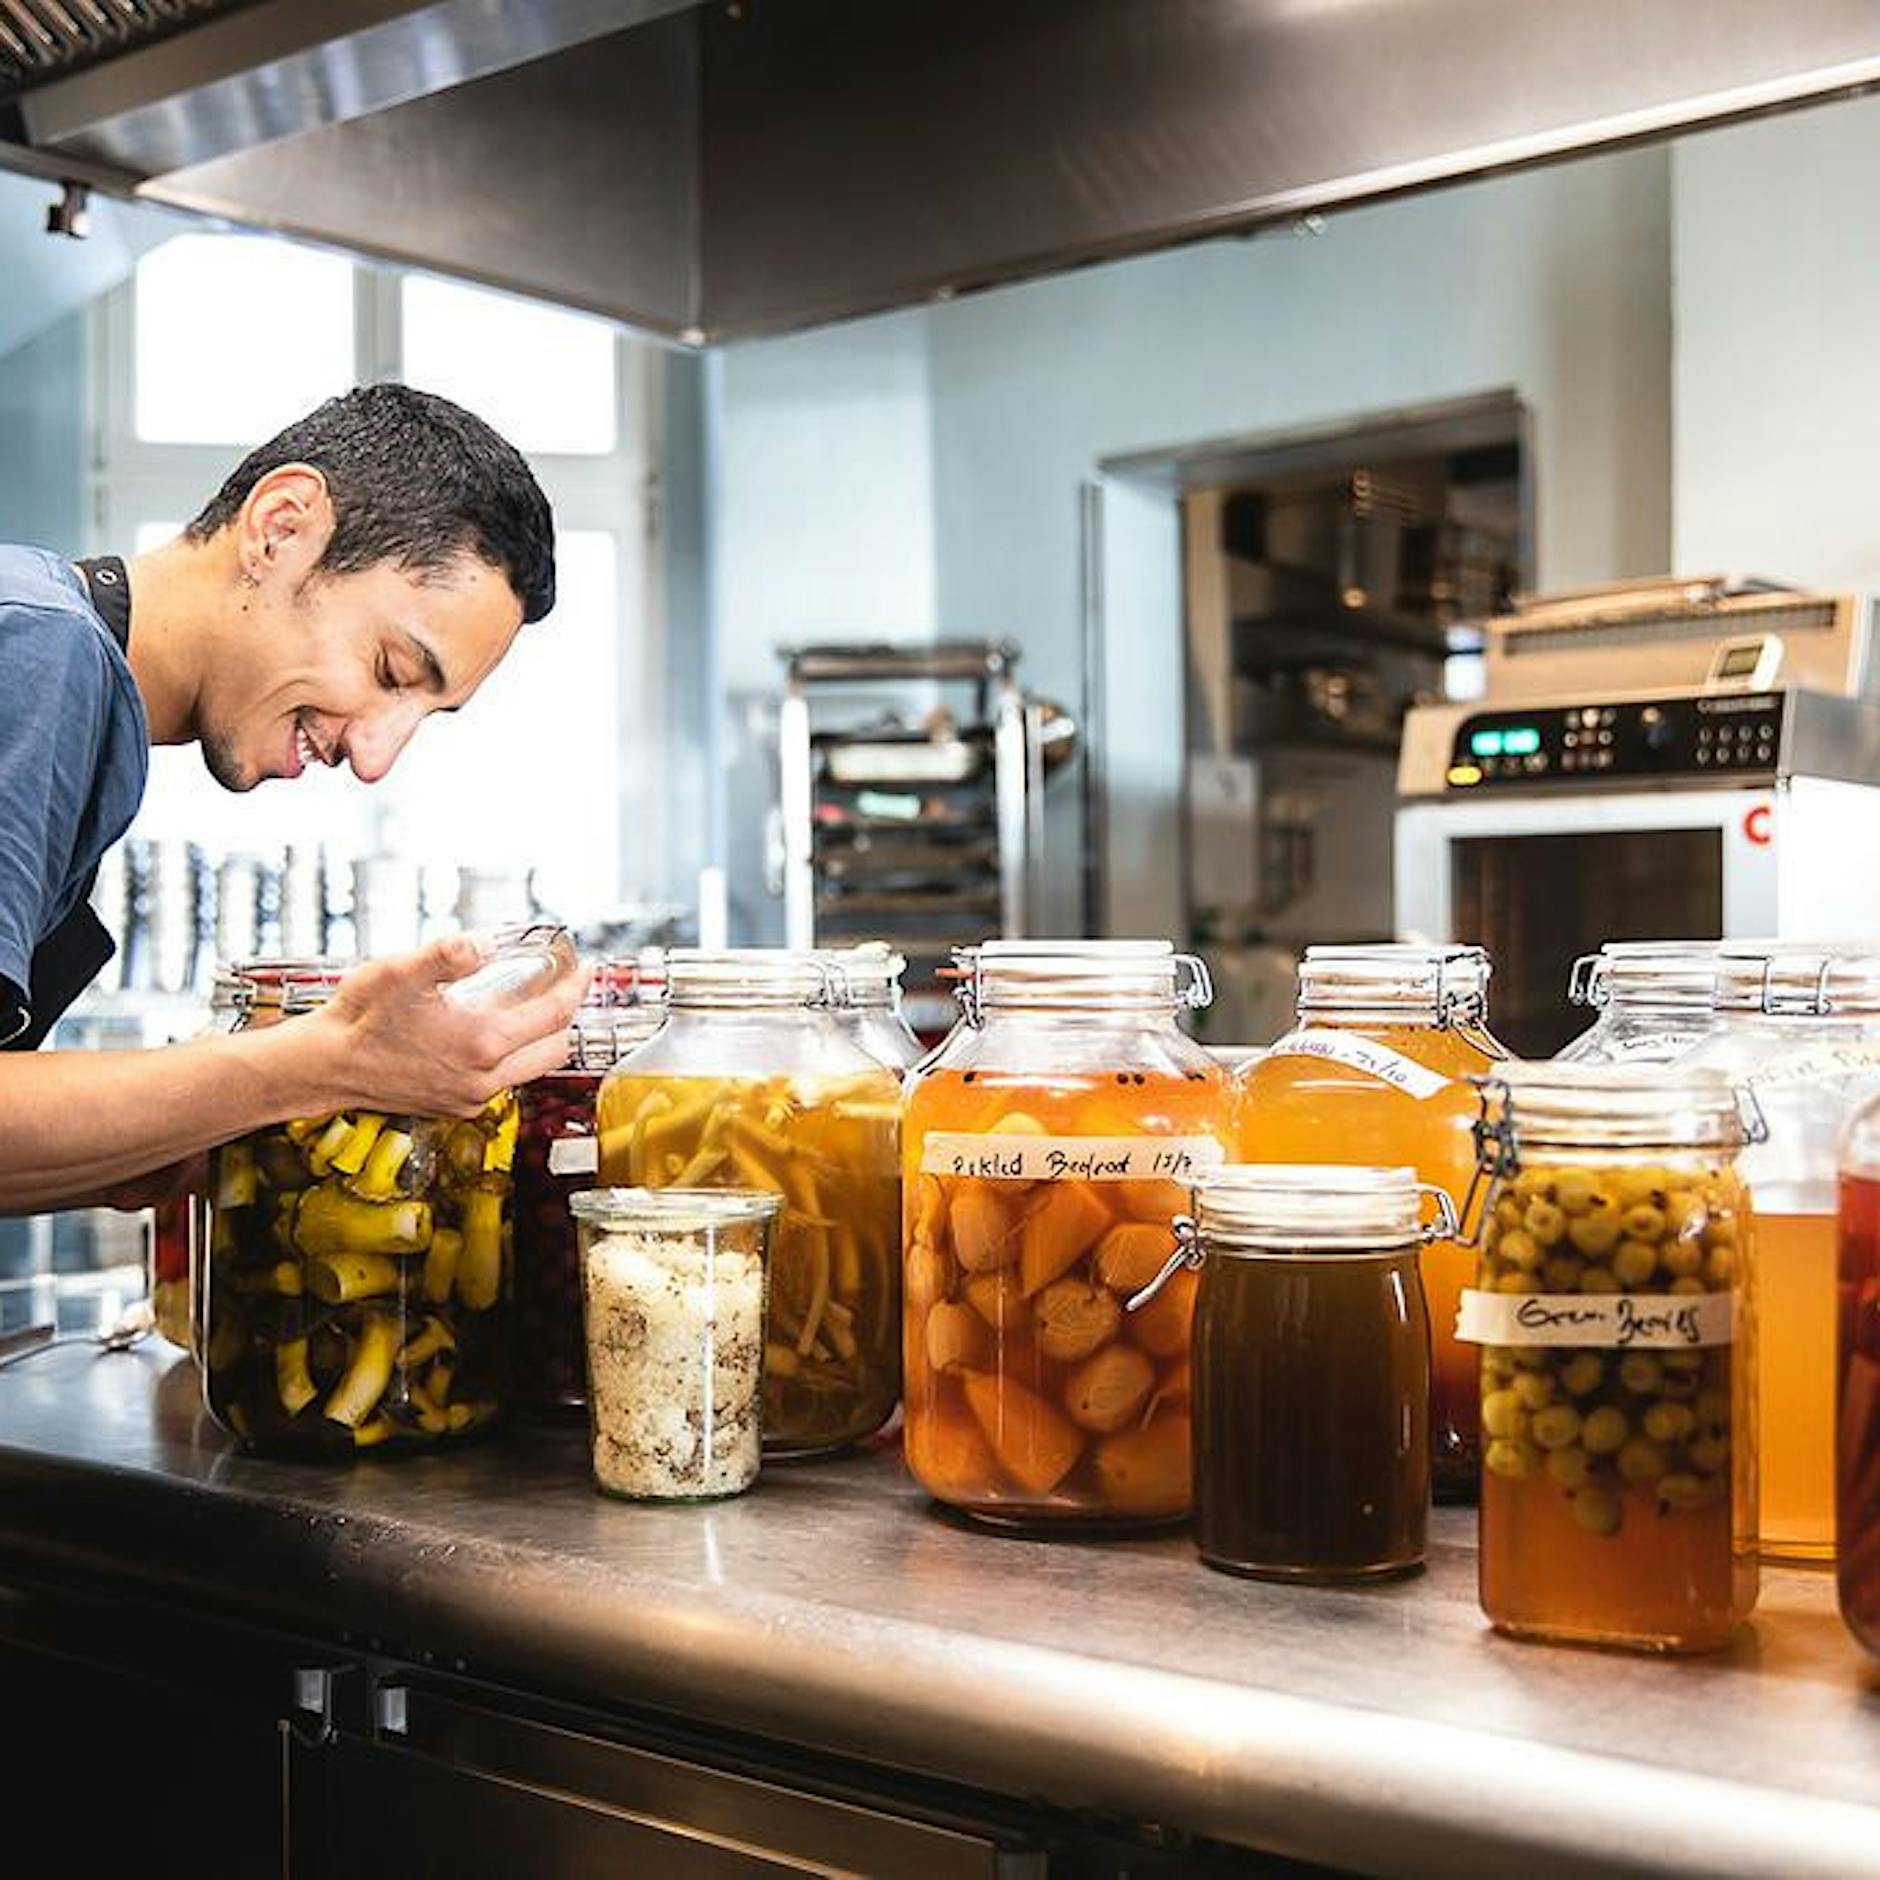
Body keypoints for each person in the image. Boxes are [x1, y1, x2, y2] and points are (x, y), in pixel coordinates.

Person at [0, 382, 585, 1215]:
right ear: (281, 528)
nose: (376, 756)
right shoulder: (36, 649)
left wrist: (203, 1121)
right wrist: (335, 1056)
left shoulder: (82, 702)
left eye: (427, 714)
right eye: (390, 672)